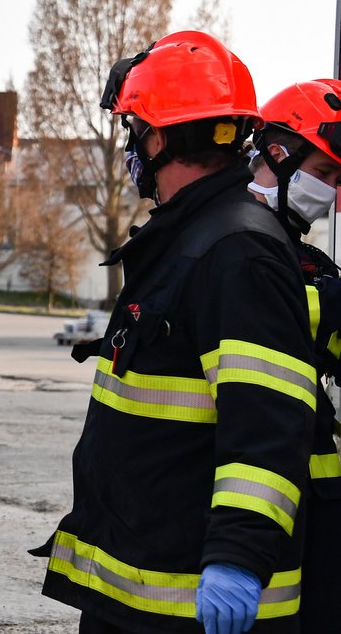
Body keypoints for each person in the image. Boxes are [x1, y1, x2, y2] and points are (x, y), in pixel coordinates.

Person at [36, 31, 316, 634]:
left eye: (135, 130)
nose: (132, 147)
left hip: (195, 606)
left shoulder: (237, 254)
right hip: (145, 592)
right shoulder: (187, 239)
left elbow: (267, 430)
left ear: (158, 137)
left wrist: (239, 559)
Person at [246, 79, 341, 633]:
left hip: (316, 493)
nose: (330, 191)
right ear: (277, 153)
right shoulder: (234, 237)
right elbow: (258, 310)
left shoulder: (305, 256)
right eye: (324, 173)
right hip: (258, 494)